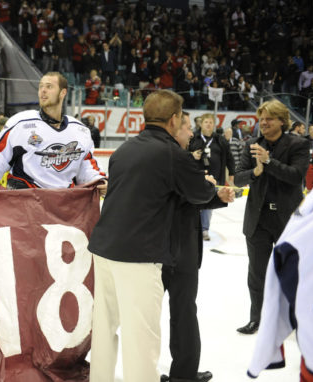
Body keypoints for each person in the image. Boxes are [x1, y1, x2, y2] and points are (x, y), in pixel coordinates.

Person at [87, 89, 216, 382]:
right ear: (173, 120)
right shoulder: (171, 153)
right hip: (139, 255)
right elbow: (199, 193)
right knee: (141, 341)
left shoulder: (123, 150)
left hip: (105, 249)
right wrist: (212, 187)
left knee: (104, 331)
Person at [160, 111, 234, 382]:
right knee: (178, 313)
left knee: (183, 313)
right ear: (172, 126)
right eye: (187, 127)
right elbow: (187, 194)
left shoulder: (177, 156)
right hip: (169, 249)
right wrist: (209, 190)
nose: (191, 133)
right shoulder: (175, 158)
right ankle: (171, 373)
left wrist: (214, 194)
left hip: (174, 248)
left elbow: (186, 199)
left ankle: (181, 373)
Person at [234, 99, 310, 335]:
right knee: (256, 274)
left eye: (269, 118)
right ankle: (257, 319)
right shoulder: (252, 144)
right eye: (261, 118)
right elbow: (238, 179)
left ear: (281, 121)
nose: (263, 122)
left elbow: (296, 176)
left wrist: (268, 161)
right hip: (258, 220)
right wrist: (256, 171)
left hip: (288, 221)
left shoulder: (298, 145)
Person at [0, 72, 107, 191]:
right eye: (41, 86)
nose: (43, 90)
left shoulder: (79, 130)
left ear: (63, 92)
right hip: (26, 204)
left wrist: (100, 181)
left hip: (63, 206)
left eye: (49, 87)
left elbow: (87, 166)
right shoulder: (21, 123)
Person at [189, 114, 235, 240]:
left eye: (211, 122)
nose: (208, 124)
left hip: (214, 179)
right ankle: (191, 227)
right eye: (206, 122)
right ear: (201, 124)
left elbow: (230, 158)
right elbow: (183, 154)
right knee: (193, 203)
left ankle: (204, 229)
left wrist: (231, 175)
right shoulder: (193, 138)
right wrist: (191, 155)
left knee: (208, 203)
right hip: (195, 178)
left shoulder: (220, 140)